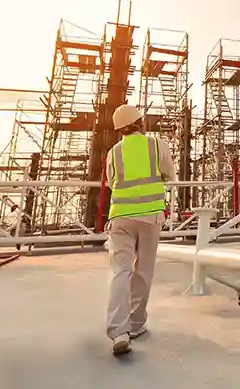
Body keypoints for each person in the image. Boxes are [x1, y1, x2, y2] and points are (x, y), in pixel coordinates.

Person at [104, 104, 176, 355]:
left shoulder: (113, 152)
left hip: (120, 217)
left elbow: (112, 183)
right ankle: (136, 325)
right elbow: (170, 175)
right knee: (143, 270)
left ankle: (118, 331)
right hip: (149, 218)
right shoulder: (157, 146)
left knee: (119, 272)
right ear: (140, 122)